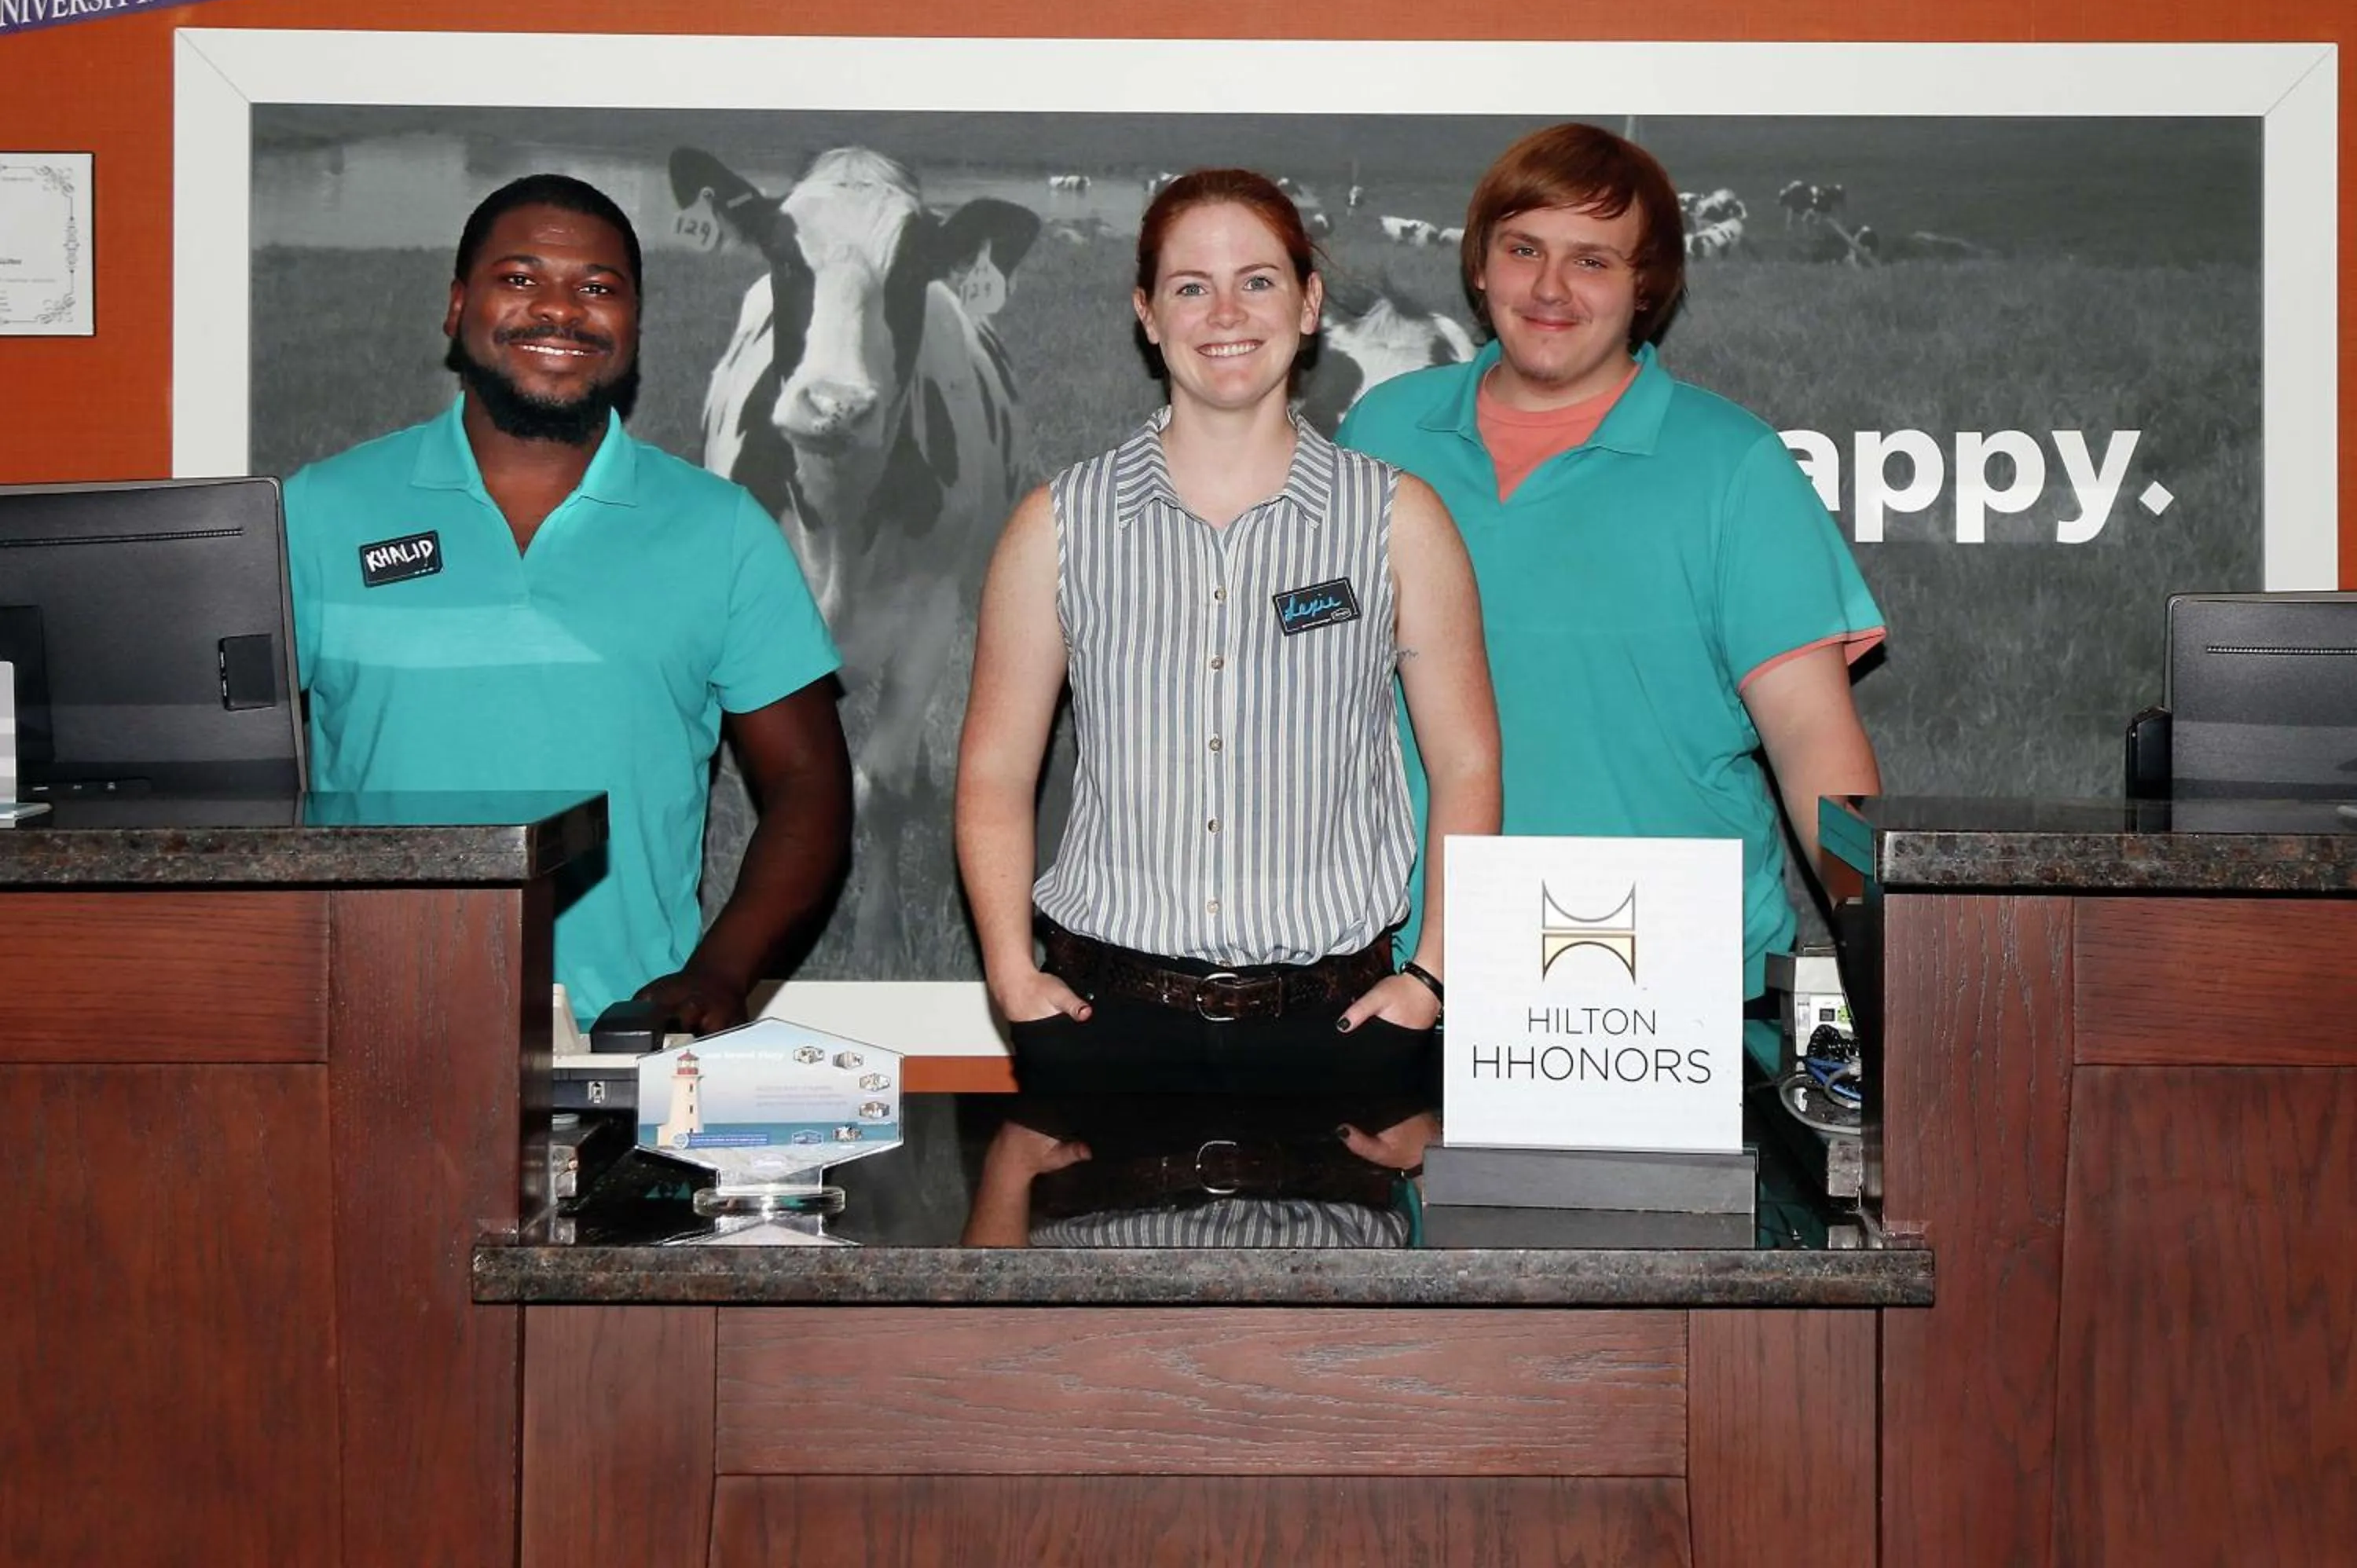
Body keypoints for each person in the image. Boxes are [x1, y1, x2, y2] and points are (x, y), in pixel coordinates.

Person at [955, 169, 1500, 1091]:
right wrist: (1012, 973)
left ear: (1310, 302)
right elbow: (997, 771)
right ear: (1147, 313)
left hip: (1343, 1028)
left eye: (1257, 280)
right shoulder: (1057, 525)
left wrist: (1431, 978)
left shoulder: (1398, 521)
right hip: (1102, 1023)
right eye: (1190, 287)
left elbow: (1466, 764)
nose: (1226, 314)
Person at [1336, 123, 1884, 1018]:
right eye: (1524, 250)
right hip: (1409, 975)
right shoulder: (1381, 433)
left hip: (1674, 986)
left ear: (1647, 288)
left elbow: (1814, 748)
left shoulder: (1733, 464)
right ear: (1480, 267)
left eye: (1592, 261)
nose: (1550, 288)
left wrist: (1888, 969)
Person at [284, 174, 851, 1032]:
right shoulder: (318, 513)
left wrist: (719, 973)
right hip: (359, 1031)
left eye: (598, 288)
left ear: (633, 325)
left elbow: (808, 781)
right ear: (456, 306)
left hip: (620, 1047)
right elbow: (222, 773)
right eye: (520, 279)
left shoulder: (719, 529)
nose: (561, 310)